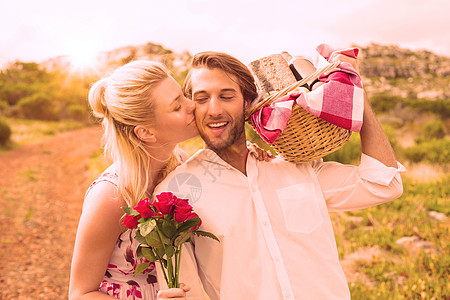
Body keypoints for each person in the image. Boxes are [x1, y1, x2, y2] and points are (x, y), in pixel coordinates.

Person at [154, 51, 406, 299]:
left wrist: (355, 90)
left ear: (247, 102)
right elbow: (184, 291)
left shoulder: (297, 166)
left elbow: (385, 184)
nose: (214, 110)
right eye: (201, 98)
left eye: (226, 96)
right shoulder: (175, 193)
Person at [68, 60, 273, 300]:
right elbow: (80, 293)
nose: (192, 106)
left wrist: (249, 154)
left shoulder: (182, 164)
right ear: (146, 132)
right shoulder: (110, 196)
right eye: (177, 106)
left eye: (184, 96)